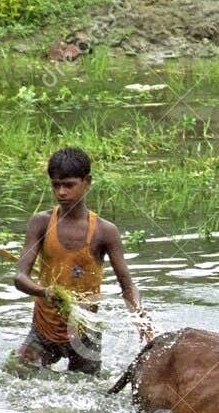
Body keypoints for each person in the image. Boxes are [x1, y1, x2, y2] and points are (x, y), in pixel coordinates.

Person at [11, 146, 152, 374]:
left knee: (88, 390)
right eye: (56, 185)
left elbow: (127, 285)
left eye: (69, 185)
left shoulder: (105, 231)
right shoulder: (41, 223)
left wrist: (142, 321)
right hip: (44, 327)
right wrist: (44, 292)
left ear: (87, 182)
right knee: (16, 373)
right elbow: (19, 277)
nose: (62, 192)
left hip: (85, 330)